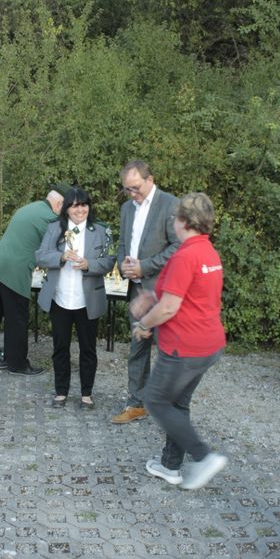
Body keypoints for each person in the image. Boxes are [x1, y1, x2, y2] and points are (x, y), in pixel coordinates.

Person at [131, 192, 227, 490]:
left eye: (175, 218)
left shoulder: (185, 256)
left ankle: (203, 456)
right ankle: (171, 466)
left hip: (184, 347)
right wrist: (152, 296)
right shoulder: (208, 252)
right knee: (177, 404)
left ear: (182, 221)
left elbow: (169, 308)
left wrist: (143, 325)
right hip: (208, 344)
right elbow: (187, 294)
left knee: (155, 400)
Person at [111, 160, 180, 424]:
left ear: (150, 180)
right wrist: (123, 266)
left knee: (167, 350)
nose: (132, 194)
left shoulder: (170, 204)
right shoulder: (127, 208)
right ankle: (137, 403)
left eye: (136, 188)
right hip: (137, 291)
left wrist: (145, 266)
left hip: (163, 292)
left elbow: (178, 247)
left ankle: (170, 407)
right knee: (137, 346)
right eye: (127, 189)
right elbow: (123, 244)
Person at [35, 187, 115, 408]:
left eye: (84, 205)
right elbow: (40, 256)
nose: (80, 210)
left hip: (87, 300)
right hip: (60, 299)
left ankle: (86, 394)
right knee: (60, 347)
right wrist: (60, 257)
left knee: (88, 349)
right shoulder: (54, 228)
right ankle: (61, 392)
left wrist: (89, 264)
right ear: (67, 209)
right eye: (75, 206)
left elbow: (109, 261)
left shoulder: (102, 230)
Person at [0, 185, 69, 375]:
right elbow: (56, 249)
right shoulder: (50, 218)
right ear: (59, 204)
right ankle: (17, 363)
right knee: (17, 318)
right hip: (15, 271)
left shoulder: (30, 208)